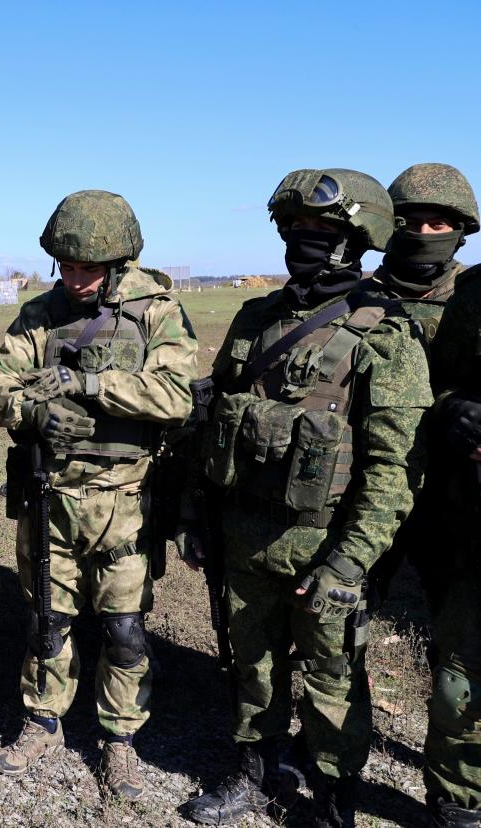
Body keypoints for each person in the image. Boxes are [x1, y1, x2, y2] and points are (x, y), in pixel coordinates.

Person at [181, 170, 431, 827]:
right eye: (295, 229)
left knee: (331, 682)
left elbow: (395, 469)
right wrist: (193, 514)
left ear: (359, 240)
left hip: (327, 546)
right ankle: (254, 776)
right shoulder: (255, 319)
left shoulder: (384, 337)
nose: (304, 241)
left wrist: (349, 565)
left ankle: (333, 801)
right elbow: (217, 423)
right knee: (252, 670)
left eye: (324, 231)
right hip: (244, 535)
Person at [0, 190, 197, 798]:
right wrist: (31, 412)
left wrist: (94, 382)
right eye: (67, 268)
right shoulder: (36, 316)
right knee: (48, 621)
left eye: (89, 270)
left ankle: (120, 740)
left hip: (125, 501)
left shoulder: (156, 312)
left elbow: (176, 396)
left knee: (124, 630)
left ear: (119, 265)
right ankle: (42, 721)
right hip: (50, 498)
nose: (75, 281)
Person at [361, 164, 479, 612]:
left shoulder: (473, 300)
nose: (422, 233)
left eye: (438, 224)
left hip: (453, 486)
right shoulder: (352, 300)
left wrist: (457, 407)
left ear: (461, 230)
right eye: (408, 223)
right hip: (369, 478)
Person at [419, 218, 481, 828]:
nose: (422, 233)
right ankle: (459, 801)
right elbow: (439, 384)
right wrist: (454, 409)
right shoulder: (477, 295)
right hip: (464, 513)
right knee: (460, 680)